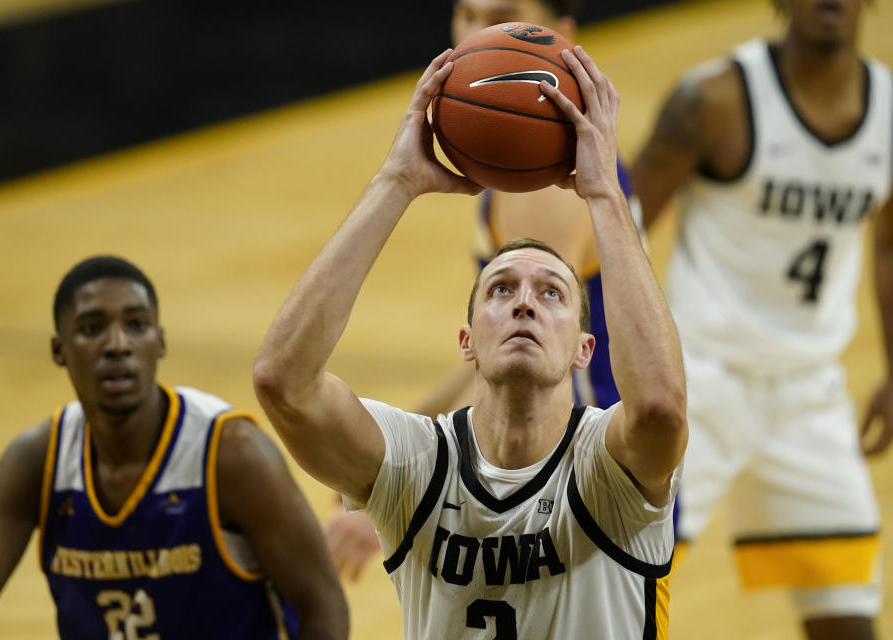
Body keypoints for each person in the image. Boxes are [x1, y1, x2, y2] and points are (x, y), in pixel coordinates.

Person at [254, 46, 686, 639]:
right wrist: (396, 181)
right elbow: (283, 382)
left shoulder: (607, 472)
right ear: (467, 342)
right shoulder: (417, 465)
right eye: (501, 289)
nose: (525, 301)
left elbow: (660, 408)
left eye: (553, 293)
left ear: (587, 349)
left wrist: (606, 195)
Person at [322, 0, 644, 580]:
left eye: (501, 16)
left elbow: (526, 355)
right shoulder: (553, 152)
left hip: (579, 475)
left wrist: (392, 478)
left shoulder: (541, 184)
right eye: (466, 16)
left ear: (561, 36)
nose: (478, 36)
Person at [630, 0, 892, 638]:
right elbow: (621, 234)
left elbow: (889, 246)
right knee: (624, 594)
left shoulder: (889, 112)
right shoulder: (711, 101)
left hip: (809, 391)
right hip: (698, 385)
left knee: (850, 615)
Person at [0, 256, 348, 640]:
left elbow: (324, 607)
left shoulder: (232, 456)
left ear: (160, 342)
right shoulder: (36, 462)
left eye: (136, 325)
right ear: (59, 350)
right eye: (92, 329)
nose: (117, 345)